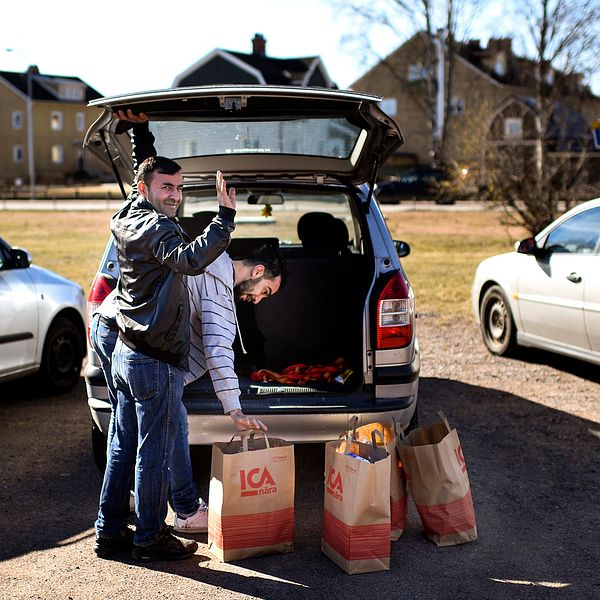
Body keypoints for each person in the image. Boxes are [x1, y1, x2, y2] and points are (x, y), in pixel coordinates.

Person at [94, 110, 237, 563]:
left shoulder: (129, 212)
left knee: (121, 446)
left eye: (178, 189)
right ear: (146, 191)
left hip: (125, 352)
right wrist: (224, 218)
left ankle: (109, 531)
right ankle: (150, 537)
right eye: (166, 189)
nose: (174, 197)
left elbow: (146, 168)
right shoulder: (158, 228)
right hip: (154, 360)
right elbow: (190, 259)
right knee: (151, 455)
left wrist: (140, 132)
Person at [91, 243, 286, 544]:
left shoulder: (206, 257)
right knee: (169, 425)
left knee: (124, 429)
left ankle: (116, 510)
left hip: (110, 323)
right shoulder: (219, 287)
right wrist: (234, 409)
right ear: (257, 271)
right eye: (265, 291)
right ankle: (185, 510)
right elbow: (219, 351)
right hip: (130, 336)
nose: (258, 300)